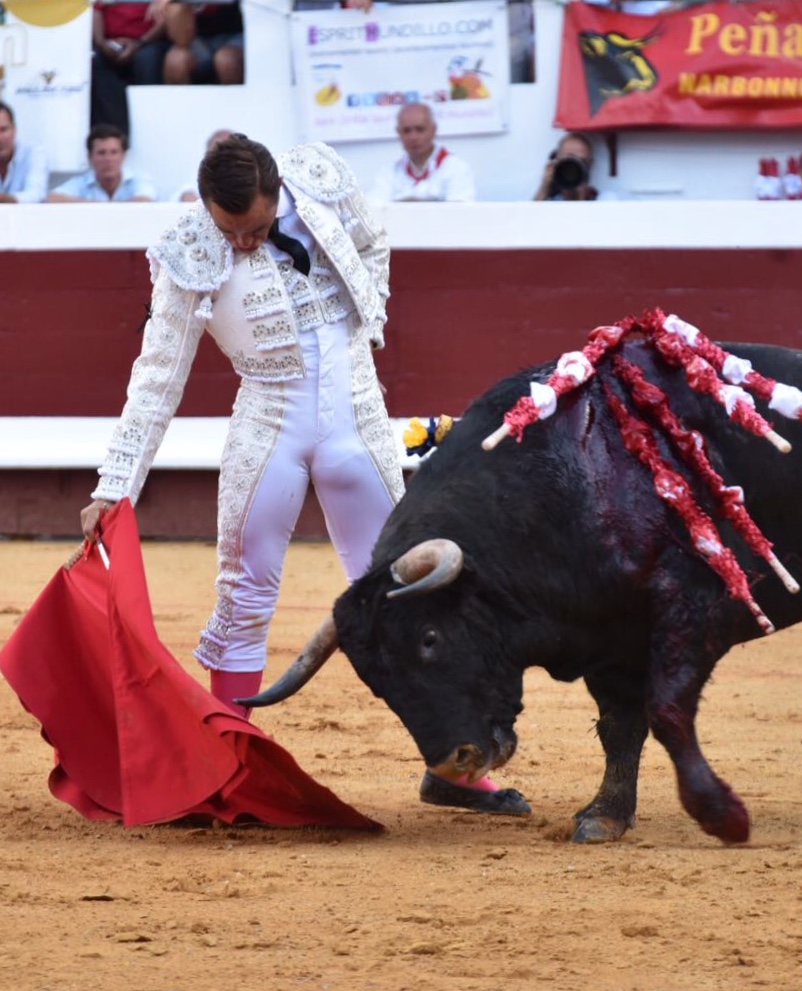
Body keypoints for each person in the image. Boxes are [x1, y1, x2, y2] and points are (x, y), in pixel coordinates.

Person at [77, 134, 527, 815]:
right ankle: (227, 770)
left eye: (256, 227)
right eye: (232, 234)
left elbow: (374, 239)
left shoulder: (316, 175)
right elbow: (158, 375)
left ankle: (452, 767)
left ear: (276, 192)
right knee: (243, 593)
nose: (245, 244)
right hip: (268, 421)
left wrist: (364, 319)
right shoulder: (189, 247)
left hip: (358, 414)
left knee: (408, 598)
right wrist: (115, 485)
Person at [90, 0, 170, 139]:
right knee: (95, 61)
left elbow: (163, 21)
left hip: (147, 42)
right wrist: (102, 42)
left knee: (148, 59)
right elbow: (97, 12)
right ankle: (109, 130)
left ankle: (149, 124)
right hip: (111, 43)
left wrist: (140, 43)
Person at [369, 102, 476, 202]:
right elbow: (373, 212)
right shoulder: (389, 173)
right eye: (406, 131)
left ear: (433, 130)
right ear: (398, 133)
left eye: (420, 129)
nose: (413, 137)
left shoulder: (455, 168)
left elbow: (460, 215)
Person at [46, 124, 157, 202]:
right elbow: (52, 198)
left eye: (114, 152)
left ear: (124, 156)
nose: (108, 159)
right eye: (101, 153)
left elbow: (145, 200)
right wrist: (101, 208)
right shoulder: (81, 183)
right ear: (90, 157)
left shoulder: (138, 180)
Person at [148, 0, 245, 85]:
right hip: (200, 38)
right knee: (176, 60)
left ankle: (237, 105)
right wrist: (177, 7)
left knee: (226, 60)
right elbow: (182, 41)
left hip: (239, 34)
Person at [0, 101, 49, 204]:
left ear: (14, 130)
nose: (0, 138)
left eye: (3, 130)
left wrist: (5, 199)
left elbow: (36, 195)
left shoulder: (33, 153)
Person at [533, 131, 599, 201]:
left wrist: (580, 199)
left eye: (582, 162)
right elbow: (532, 211)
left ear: (590, 165)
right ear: (556, 161)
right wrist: (544, 189)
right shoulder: (547, 201)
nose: (573, 169)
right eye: (569, 160)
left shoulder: (603, 200)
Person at [173, 127, 235, 201]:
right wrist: (186, 195)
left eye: (228, 148)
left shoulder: (249, 173)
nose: (224, 154)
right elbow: (185, 193)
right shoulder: (203, 172)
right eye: (219, 149)